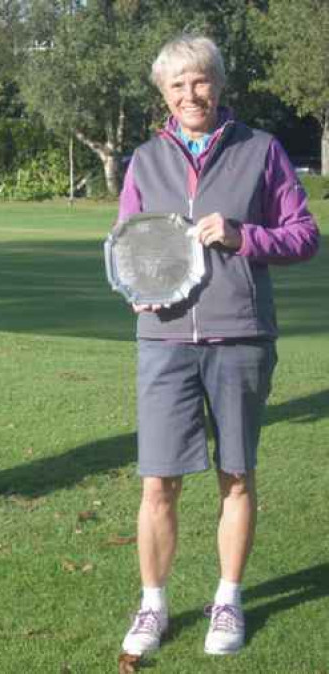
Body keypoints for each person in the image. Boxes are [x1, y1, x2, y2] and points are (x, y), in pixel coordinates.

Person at [116, 36, 319, 656]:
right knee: (158, 483)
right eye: (176, 86)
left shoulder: (262, 150)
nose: (189, 95)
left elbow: (305, 236)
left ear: (218, 84)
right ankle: (153, 606)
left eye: (199, 81)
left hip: (241, 336)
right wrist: (136, 290)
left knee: (235, 475)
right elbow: (126, 245)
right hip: (165, 338)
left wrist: (242, 236)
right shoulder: (146, 158)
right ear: (163, 95)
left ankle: (227, 599)